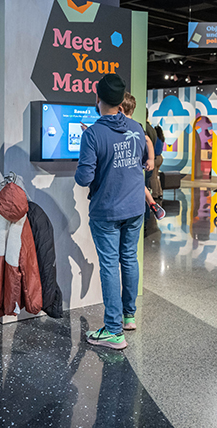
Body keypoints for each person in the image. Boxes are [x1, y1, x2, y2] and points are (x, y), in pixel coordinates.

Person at [75, 74, 149, 350]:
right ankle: (128, 316)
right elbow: (139, 162)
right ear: (121, 101)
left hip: (107, 210)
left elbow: (84, 178)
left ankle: (114, 331)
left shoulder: (93, 134)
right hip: (134, 207)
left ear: (98, 99)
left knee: (109, 265)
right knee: (129, 258)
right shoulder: (137, 127)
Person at [120, 93, 164, 220]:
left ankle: (152, 204)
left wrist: (150, 159)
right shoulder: (137, 125)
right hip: (136, 162)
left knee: (139, 183)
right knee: (140, 183)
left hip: (134, 162)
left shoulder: (133, 126)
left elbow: (147, 141)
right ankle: (152, 204)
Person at [151, 125, 165, 200]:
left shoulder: (155, 139)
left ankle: (155, 194)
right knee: (156, 176)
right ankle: (160, 192)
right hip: (160, 157)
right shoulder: (161, 139)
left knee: (153, 177)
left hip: (155, 158)